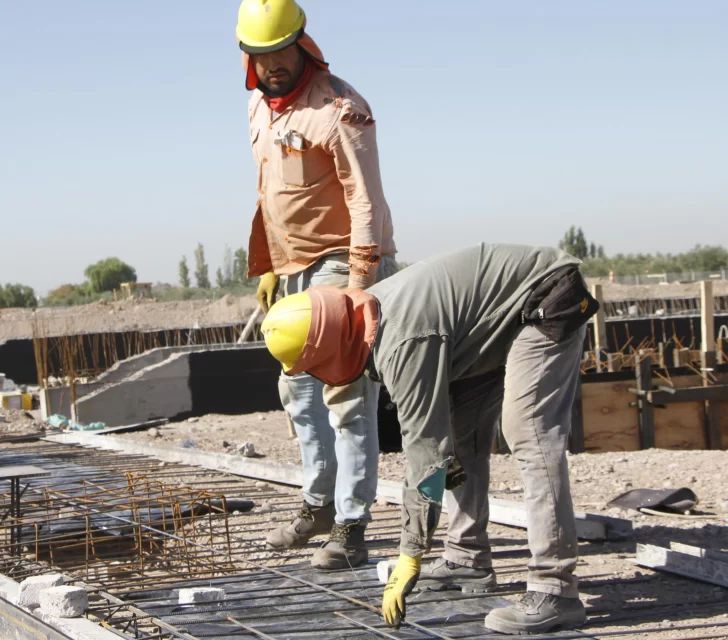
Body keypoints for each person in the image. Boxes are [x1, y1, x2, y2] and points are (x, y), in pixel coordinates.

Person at [259, 243, 598, 635]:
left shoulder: (401, 339)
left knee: (528, 431)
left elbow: (426, 453)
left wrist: (410, 555)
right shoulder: (361, 319)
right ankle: (466, 558)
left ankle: (556, 589)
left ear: (328, 350)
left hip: (546, 294)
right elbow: (437, 447)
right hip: (489, 323)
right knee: (461, 439)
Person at [235, 0, 397, 570]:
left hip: (341, 262)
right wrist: (272, 266)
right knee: (298, 394)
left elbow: (365, 199)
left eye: (280, 51)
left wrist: (359, 284)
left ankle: (352, 526)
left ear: (303, 44)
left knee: (348, 397)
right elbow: (270, 192)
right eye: (259, 55)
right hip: (294, 267)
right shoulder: (259, 108)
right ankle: (318, 505)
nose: (271, 64)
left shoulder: (340, 109)